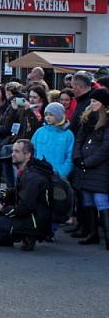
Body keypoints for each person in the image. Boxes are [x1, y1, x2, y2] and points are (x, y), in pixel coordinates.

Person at [0, 140, 52, 251]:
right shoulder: (27, 170)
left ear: (27, 155)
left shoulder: (32, 177)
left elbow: (25, 207)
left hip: (35, 220)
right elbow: (20, 192)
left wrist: (5, 209)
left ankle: (29, 235)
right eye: (13, 151)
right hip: (29, 214)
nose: (12, 154)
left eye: (16, 151)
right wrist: (4, 194)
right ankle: (7, 238)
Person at [70, 88, 109, 248]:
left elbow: (106, 147)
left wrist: (89, 161)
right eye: (91, 101)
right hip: (84, 165)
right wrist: (78, 157)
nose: (91, 104)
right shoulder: (87, 119)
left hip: (100, 167)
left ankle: (107, 237)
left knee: (101, 199)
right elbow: (79, 139)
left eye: (95, 101)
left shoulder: (107, 121)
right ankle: (92, 233)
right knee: (87, 199)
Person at [30, 102, 74, 179]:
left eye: (51, 115)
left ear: (59, 115)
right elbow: (32, 151)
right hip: (39, 174)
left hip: (58, 175)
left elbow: (69, 157)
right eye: (46, 115)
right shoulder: (39, 131)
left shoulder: (68, 134)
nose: (48, 117)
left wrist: (62, 173)